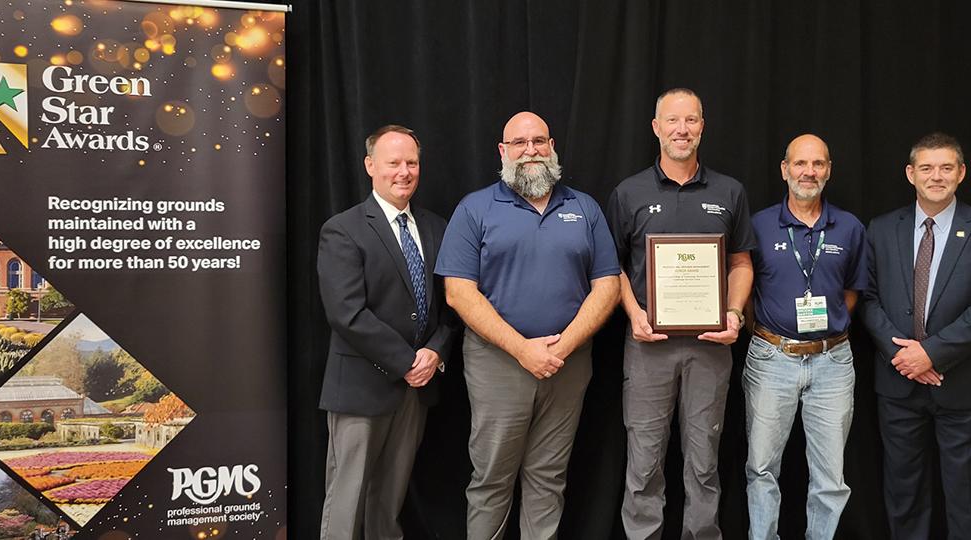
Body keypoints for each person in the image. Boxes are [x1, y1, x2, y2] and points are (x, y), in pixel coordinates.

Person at [435, 111, 621, 540]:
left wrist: (561, 348)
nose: (530, 150)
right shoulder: (475, 208)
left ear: (552, 146)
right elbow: (459, 293)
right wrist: (523, 349)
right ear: (503, 151)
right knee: (491, 482)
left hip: (568, 365)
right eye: (519, 143)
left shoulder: (584, 207)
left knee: (548, 479)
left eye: (539, 141)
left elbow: (607, 285)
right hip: (498, 365)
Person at [606, 88, 755, 540]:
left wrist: (733, 314)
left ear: (702, 127)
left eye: (690, 121)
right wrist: (633, 314)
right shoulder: (628, 192)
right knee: (645, 460)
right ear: (656, 127)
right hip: (649, 345)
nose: (681, 130)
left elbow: (741, 263)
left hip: (711, 349)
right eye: (672, 121)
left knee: (704, 460)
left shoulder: (729, 191)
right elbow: (608, 267)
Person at [860, 132, 971, 539]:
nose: (936, 176)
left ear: (961, 173)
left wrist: (930, 354)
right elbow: (868, 299)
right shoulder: (879, 229)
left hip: (964, 385)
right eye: (926, 168)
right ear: (910, 174)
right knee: (903, 492)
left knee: (966, 496)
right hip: (898, 384)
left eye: (946, 168)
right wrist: (905, 358)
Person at [316, 124, 455, 540]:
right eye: (393, 162)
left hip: (417, 389)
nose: (404, 171)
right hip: (361, 386)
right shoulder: (343, 229)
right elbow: (346, 312)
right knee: (346, 499)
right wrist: (406, 361)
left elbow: (450, 306)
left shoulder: (436, 227)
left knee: (389, 501)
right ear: (370, 165)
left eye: (411, 163)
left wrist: (435, 352)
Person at [743, 134, 868, 539]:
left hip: (833, 362)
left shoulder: (849, 227)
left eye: (817, 164)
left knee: (831, 477)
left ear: (829, 171)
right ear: (785, 170)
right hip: (771, 357)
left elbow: (851, 292)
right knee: (762, 468)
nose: (808, 172)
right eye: (800, 164)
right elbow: (742, 286)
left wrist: (823, 330)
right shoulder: (759, 225)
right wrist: (767, 331)